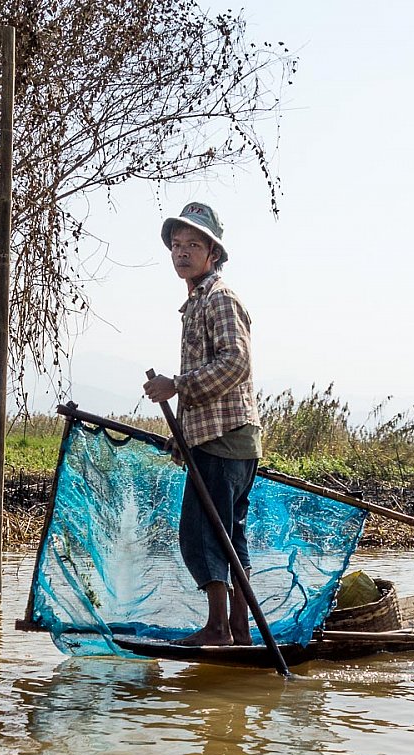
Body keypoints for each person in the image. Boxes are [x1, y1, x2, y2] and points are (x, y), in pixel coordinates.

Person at [142, 202, 262, 647]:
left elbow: (235, 363)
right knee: (229, 536)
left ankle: (217, 629)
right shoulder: (195, 303)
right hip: (221, 438)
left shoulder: (219, 298)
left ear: (213, 253)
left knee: (203, 531)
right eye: (177, 245)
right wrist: (183, 437)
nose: (182, 252)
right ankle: (238, 629)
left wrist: (176, 385)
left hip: (224, 439)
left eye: (193, 244)